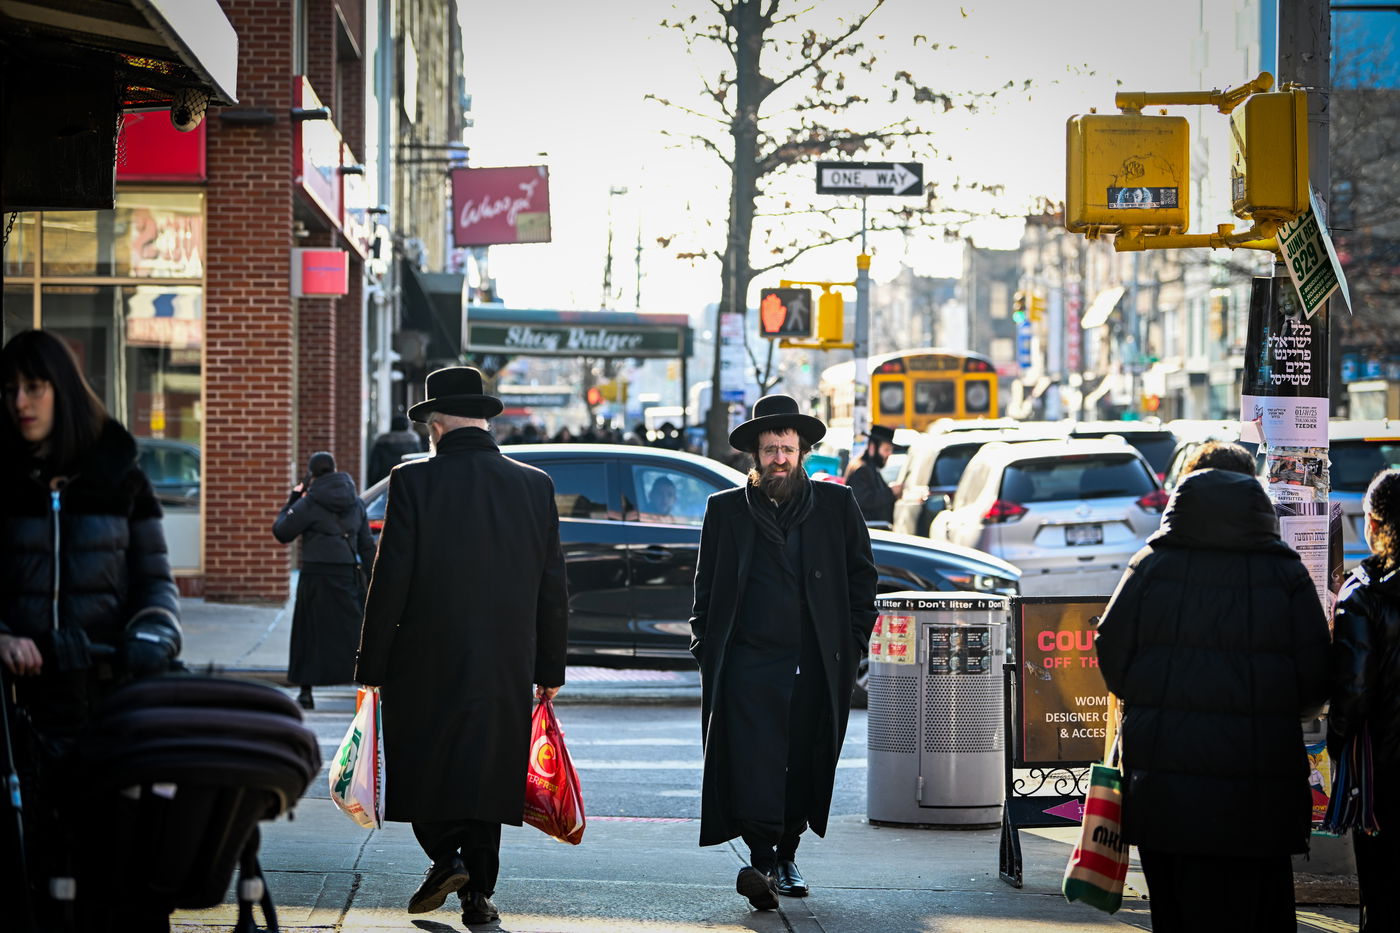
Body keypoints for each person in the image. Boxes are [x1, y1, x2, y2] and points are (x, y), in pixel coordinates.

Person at [355, 366, 568, 927]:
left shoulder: (413, 481)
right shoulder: (535, 485)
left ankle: (445, 856)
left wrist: (371, 663)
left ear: (436, 424)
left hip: (423, 656)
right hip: (505, 658)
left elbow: (390, 579)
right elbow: (552, 585)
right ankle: (478, 894)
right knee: (486, 769)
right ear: (483, 420)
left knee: (423, 760)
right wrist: (550, 667)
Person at [1095, 441, 1330, 932]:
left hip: (1164, 789)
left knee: (1177, 911)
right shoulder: (1284, 570)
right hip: (1260, 788)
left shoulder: (1152, 563)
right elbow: (1316, 677)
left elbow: (1111, 649)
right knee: (1258, 910)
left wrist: (1149, 698)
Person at [0, 329, 182, 929]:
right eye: (9, 389)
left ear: (63, 389)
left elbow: (155, 583)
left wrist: (152, 635)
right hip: (17, 708)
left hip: (103, 696)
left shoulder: (119, 474)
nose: (20, 402)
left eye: (34, 387)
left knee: (114, 862)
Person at [689, 394, 877, 911]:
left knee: (804, 759)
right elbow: (705, 590)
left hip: (814, 664)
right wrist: (706, 647)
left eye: (787, 449)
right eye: (770, 449)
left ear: (802, 453)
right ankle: (762, 859)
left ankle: (787, 854)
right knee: (754, 762)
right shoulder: (725, 509)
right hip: (747, 665)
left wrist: (851, 644)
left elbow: (863, 582)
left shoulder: (837, 505)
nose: (779, 459)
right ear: (755, 454)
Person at [1329, 468, 1400, 931]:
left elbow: (1353, 694)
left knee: (1384, 892)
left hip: (1385, 774)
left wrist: (1338, 745)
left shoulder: (1363, 592)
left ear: (1372, 524)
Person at [273, 450, 375, 710]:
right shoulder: (356, 503)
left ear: (312, 474)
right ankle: (365, 684)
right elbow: (366, 545)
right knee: (353, 633)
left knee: (310, 634)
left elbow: (282, 532)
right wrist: (374, 579)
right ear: (335, 470)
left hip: (316, 575)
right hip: (347, 574)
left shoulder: (309, 503)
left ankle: (306, 691)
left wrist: (293, 498)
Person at [845, 424, 901, 526]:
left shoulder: (870, 467)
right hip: (870, 530)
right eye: (886, 449)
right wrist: (891, 492)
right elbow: (865, 500)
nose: (889, 454)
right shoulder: (861, 469)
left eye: (890, 450)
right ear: (872, 447)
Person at [367, 414, 426, 486]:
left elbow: (373, 469)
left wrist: (373, 486)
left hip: (383, 486)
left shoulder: (381, 443)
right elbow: (419, 467)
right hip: (407, 485)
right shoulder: (413, 443)